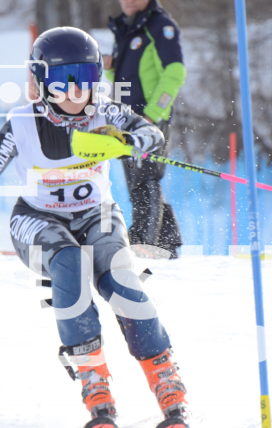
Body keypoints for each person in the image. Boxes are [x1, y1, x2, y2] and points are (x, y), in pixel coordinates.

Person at [0, 27, 190, 428]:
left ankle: (166, 380)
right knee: (69, 264)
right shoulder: (21, 122)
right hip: (37, 218)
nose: (75, 90)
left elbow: (153, 135)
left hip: (96, 214)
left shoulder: (105, 112)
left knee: (120, 279)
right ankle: (94, 383)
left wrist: (124, 141)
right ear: (41, 81)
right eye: (62, 80)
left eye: (85, 76)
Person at [104, 0, 186, 258]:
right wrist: (112, 68)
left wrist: (152, 115)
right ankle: (166, 244)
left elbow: (175, 71)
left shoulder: (159, 25)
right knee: (138, 183)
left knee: (144, 180)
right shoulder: (127, 28)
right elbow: (128, 80)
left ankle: (142, 244)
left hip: (149, 120)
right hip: (128, 122)